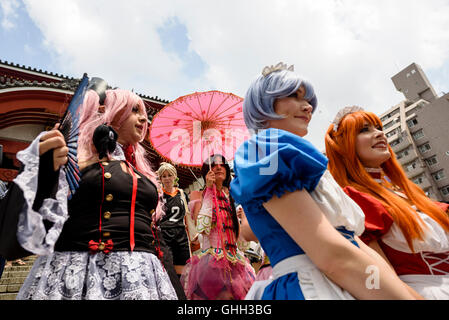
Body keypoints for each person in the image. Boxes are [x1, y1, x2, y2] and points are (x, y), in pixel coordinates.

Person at [230, 62, 421, 300]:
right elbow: (331, 255)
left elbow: (353, 249)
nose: (308, 106)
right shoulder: (265, 151)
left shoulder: (300, 160)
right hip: (312, 287)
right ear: (264, 103)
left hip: (349, 283)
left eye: (308, 99)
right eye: (293, 95)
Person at [7, 86, 183, 300]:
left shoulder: (138, 170)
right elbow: (43, 211)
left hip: (143, 275)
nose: (143, 119)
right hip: (82, 270)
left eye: (145, 115)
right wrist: (47, 170)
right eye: (135, 110)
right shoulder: (76, 160)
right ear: (111, 111)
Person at [325, 106, 449, 299]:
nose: (379, 134)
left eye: (378, 128)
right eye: (365, 130)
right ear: (343, 146)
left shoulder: (407, 193)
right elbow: (382, 276)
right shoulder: (354, 199)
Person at [180, 154, 255, 300]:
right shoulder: (199, 195)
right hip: (211, 264)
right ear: (207, 171)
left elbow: (240, 241)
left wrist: (241, 219)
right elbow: (202, 228)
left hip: (236, 261)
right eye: (213, 164)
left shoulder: (230, 198)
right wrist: (209, 191)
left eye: (222, 164)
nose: (218, 167)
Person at [156, 162, 196, 278]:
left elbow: (187, 216)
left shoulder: (182, 194)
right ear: (160, 179)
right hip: (165, 233)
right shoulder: (159, 195)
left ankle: (182, 292)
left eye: (169, 175)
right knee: (166, 268)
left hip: (181, 234)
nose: (167, 178)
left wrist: (193, 234)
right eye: (164, 176)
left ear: (175, 176)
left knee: (183, 269)